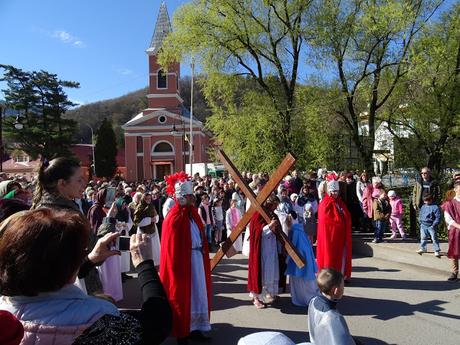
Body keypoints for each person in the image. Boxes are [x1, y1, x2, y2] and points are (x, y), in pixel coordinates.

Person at [0, 208, 172, 345]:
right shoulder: (95, 318)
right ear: (68, 265)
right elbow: (156, 325)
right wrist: (144, 264)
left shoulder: (4, 312)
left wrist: (89, 261)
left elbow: (46, 274)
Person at [160, 172, 212, 344]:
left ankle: (196, 327)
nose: (193, 198)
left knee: (198, 294)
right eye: (190, 196)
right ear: (182, 197)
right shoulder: (173, 218)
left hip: (196, 260)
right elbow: (171, 249)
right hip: (184, 264)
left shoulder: (192, 213)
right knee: (184, 297)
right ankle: (183, 332)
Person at [248, 195, 280, 309]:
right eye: (275, 205)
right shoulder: (258, 213)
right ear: (270, 203)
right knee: (260, 271)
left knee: (270, 270)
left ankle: (269, 292)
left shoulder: (272, 214)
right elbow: (256, 231)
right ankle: (256, 297)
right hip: (261, 248)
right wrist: (269, 226)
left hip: (271, 247)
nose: (276, 207)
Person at [308, 268, 356, 345]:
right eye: (343, 287)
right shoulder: (334, 317)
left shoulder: (313, 301)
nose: (343, 289)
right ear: (335, 290)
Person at [316, 180, 352, 281]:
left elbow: (346, 215)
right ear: (330, 192)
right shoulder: (325, 203)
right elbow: (326, 220)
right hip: (331, 237)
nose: (336, 193)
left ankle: (342, 275)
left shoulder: (340, 202)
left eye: (337, 191)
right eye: (334, 191)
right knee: (331, 256)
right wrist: (340, 224)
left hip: (341, 236)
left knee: (342, 256)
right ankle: (330, 277)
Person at [285, 214, 318, 306]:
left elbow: (293, 246)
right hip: (306, 255)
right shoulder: (301, 229)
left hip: (298, 258)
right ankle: (310, 296)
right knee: (307, 278)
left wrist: (288, 258)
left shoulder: (294, 231)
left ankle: (301, 298)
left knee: (299, 278)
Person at [133, 192, 161, 269]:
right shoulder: (139, 208)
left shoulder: (151, 206)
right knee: (145, 249)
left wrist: (156, 219)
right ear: (143, 199)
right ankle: (146, 265)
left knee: (154, 248)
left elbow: (156, 215)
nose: (148, 200)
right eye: (147, 199)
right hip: (143, 232)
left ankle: (156, 264)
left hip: (153, 230)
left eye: (149, 198)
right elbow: (137, 222)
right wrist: (149, 220)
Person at [442, 181, 460, 281]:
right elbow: (448, 219)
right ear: (455, 189)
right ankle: (454, 272)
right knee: (455, 251)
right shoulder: (449, 203)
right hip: (455, 231)